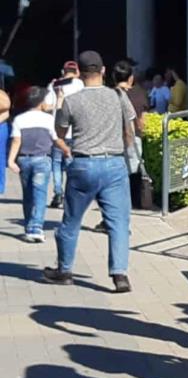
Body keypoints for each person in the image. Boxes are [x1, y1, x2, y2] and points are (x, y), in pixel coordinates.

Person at [42, 51, 137, 293]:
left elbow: (60, 135)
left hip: (84, 163)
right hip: (114, 163)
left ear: (80, 75)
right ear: (103, 71)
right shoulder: (118, 96)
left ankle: (64, 270)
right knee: (118, 222)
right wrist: (123, 148)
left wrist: (67, 151)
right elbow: (131, 128)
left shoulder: (72, 101)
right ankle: (119, 274)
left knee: (71, 221)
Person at [8, 86, 70, 242]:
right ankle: (36, 227)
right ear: (41, 103)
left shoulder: (19, 120)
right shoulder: (48, 119)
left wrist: (11, 160)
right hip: (42, 159)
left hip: (24, 160)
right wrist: (66, 150)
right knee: (40, 194)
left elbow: (16, 141)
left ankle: (29, 225)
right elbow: (56, 139)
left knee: (27, 195)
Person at [45, 60, 84, 209]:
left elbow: (47, 106)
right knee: (71, 163)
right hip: (75, 130)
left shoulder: (55, 85)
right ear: (77, 72)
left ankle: (58, 193)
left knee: (56, 163)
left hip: (57, 130)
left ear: (63, 71)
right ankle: (72, 193)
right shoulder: (81, 85)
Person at [113, 61, 149, 209]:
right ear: (131, 78)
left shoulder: (109, 94)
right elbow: (142, 122)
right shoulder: (140, 94)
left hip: (113, 141)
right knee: (133, 173)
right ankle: (134, 203)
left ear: (113, 77)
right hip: (134, 139)